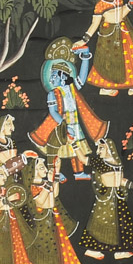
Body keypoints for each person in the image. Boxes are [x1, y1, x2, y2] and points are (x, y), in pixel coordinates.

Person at [29, 40, 107, 180]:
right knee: (56, 149)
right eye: (51, 76)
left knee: (77, 146)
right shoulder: (52, 93)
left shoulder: (72, 88)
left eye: (54, 75)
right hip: (59, 124)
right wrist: (64, 125)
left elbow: (82, 78)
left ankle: (79, 173)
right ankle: (55, 173)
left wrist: (85, 57)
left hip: (75, 122)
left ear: (63, 76)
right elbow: (53, 112)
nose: (51, 79)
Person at [21, 154, 86, 264]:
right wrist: (49, 182)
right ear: (33, 171)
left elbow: (55, 194)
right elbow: (40, 201)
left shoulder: (44, 183)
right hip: (43, 223)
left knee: (62, 248)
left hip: (52, 218)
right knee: (46, 251)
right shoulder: (32, 186)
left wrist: (56, 173)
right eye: (41, 167)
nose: (45, 169)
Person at [77, 138, 133, 261]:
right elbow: (83, 159)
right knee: (100, 224)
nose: (98, 151)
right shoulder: (100, 162)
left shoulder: (117, 164)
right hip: (106, 197)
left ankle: (119, 251)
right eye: (98, 148)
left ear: (109, 148)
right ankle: (92, 250)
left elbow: (121, 181)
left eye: (101, 148)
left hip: (118, 196)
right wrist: (74, 145)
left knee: (122, 224)